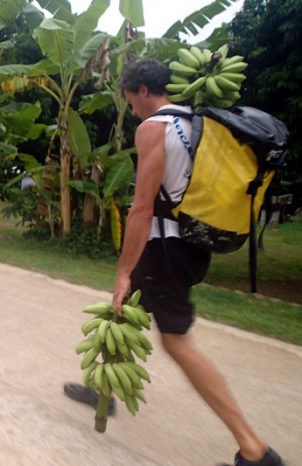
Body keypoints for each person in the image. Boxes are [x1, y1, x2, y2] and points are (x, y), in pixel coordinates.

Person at [67, 59, 285, 466]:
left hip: (163, 251)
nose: (132, 109)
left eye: (131, 100)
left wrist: (123, 269)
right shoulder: (199, 123)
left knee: (177, 342)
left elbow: (142, 207)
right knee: (120, 316)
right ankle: (105, 393)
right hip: (191, 246)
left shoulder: (154, 129)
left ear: (143, 91)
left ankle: (255, 448)